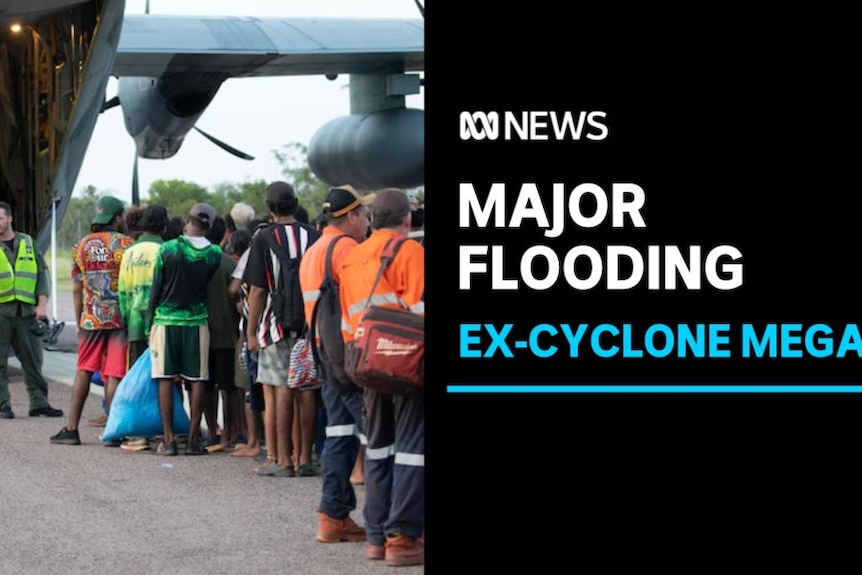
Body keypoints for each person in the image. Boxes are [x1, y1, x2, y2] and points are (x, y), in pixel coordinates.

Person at [339, 188, 425, 566]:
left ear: (372, 220)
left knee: (377, 447)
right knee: (412, 449)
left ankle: (376, 537)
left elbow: (347, 320)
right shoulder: (412, 253)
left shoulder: (353, 257)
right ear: (407, 219)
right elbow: (422, 311)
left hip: (365, 361)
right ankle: (403, 538)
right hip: (406, 365)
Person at [298, 185, 369, 543]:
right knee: (381, 434)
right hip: (349, 354)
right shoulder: (346, 249)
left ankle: (333, 515)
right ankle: (394, 527)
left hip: (325, 352)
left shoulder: (314, 251)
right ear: (352, 216)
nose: (368, 222)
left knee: (340, 433)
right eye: (364, 216)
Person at [245, 181, 319, 477]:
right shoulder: (313, 235)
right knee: (307, 391)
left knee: (279, 390)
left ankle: (282, 461)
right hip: (307, 327)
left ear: (270, 208)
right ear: (296, 203)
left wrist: (251, 333)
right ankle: (305, 459)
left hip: (274, 327)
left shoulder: (263, 237)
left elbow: (258, 291)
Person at [51, 195, 133, 445]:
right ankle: (114, 432)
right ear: (117, 217)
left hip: (90, 320)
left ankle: (71, 429)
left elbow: (77, 289)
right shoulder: (127, 244)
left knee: (84, 370)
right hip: (119, 319)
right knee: (114, 375)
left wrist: (78, 320)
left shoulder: (81, 246)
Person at [148, 203, 222, 455]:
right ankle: (193, 439)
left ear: (187, 222)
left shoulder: (167, 249)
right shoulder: (214, 254)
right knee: (198, 379)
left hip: (166, 321)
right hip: (197, 322)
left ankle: (168, 440)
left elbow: (155, 289)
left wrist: (150, 322)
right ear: (209, 227)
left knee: (165, 379)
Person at [0, 201, 63, 419]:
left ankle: (39, 403)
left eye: (0, 218)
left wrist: (42, 305)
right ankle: (3, 406)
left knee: (33, 359)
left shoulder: (28, 242)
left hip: (27, 312)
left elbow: (41, 275)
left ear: (9, 219)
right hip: (1, 312)